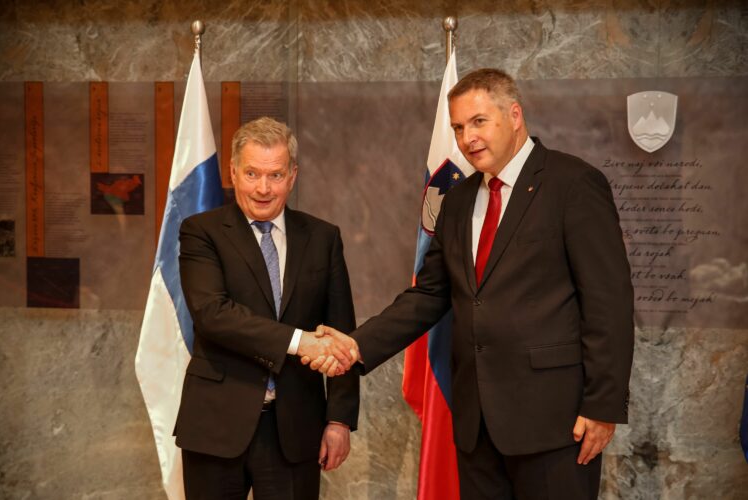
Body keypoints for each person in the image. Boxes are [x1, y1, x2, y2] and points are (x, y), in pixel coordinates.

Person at [308, 68, 634, 499]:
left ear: (514, 115)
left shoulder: (572, 184)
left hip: (554, 422)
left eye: (479, 122)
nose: (467, 138)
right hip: (477, 424)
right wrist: (355, 346)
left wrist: (602, 406)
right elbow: (429, 295)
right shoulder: (457, 201)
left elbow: (608, 301)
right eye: (459, 128)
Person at [174, 117, 360, 500]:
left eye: (274, 175)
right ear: (233, 172)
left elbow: (341, 333)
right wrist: (299, 342)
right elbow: (212, 314)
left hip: (294, 429)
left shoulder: (323, 238)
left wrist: (339, 419)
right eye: (252, 173)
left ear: (292, 175)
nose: (262, 188)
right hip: (216, 425)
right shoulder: (201, 231)